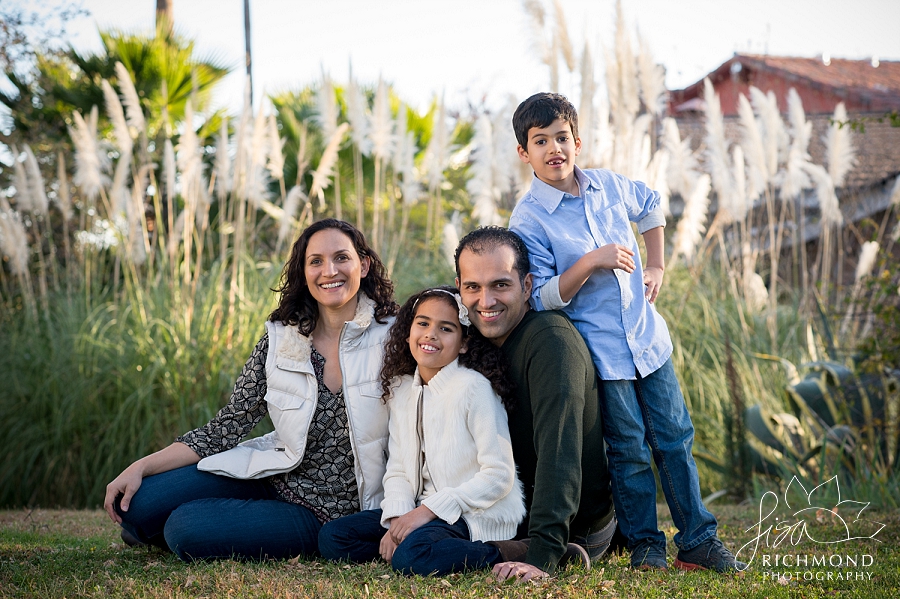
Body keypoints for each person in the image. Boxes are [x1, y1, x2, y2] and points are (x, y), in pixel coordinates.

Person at [507, 92, 745, 573]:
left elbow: (652, 206)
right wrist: (591, 260)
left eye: (561, 137)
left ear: (577, 141)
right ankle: (647, 547)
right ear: (524, 153)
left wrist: (656, 264)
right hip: (603, 354)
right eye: (540, 141)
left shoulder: (609, 186)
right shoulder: (529, 217)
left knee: (675, 438)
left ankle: (698, 540)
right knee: (630, 450)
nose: (554, 148)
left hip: (648, 341)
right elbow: (541, 295)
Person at [102, 219, 398, 561]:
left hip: (329, 513)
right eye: (315, 261)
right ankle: (193, 525)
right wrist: (141, 466)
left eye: (341, 257)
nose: (329, 270)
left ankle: (201, 530)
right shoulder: (282, 338)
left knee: (184, 528)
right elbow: (227, 426)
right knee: (138, 504)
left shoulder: (397, 337)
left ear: (363, 264)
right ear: (304, 273)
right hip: (274, 475)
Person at [318, 286, 528, 576]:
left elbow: (499, 476)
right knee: (334, 538)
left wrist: (426, 512)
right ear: (408, 331)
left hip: (477, 512)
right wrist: (397, 519)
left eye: (446, 328)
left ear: (464, 343)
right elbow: (400, 468)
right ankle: (418, 545)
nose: (431, 334)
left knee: (413, 557)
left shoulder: (474, 388)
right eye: (423, 323)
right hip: (424, 511)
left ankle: (512, 550)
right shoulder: (402, 390)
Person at [454, 227, 617, 582]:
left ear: (527, 286)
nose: (486, 300)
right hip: (507, 516)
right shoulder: (470, 342)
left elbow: (560, 452)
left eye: (500, 285)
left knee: (429, 553)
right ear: (459, 288)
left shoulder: (550, 343)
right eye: (473, 287)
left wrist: (543, 554)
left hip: (574, 530)